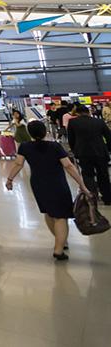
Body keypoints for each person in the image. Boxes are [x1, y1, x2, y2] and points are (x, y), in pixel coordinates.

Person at [6, 120, 90, 260]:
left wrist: (10, 179)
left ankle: (60, 240)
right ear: (45, 131)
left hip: (38, 184)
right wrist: (82, 184)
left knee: (49, 212)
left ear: (30, 133)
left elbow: (18, 164)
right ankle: (59, 249)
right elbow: (68, 166)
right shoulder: (55, 146)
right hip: (57, 184)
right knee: (61, 216)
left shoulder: (25, 147)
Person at [67, 104, 111, 205]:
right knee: (103, 175)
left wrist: (74, 150)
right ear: (89, 112)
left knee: (88, 175)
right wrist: (108, 149)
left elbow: (71, 139)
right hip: (100, 152)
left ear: (77, 113)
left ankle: (92, 197)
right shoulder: (99, 121)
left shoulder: (73, 122)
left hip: (83, 153)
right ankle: (107, 198)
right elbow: (108, 136)